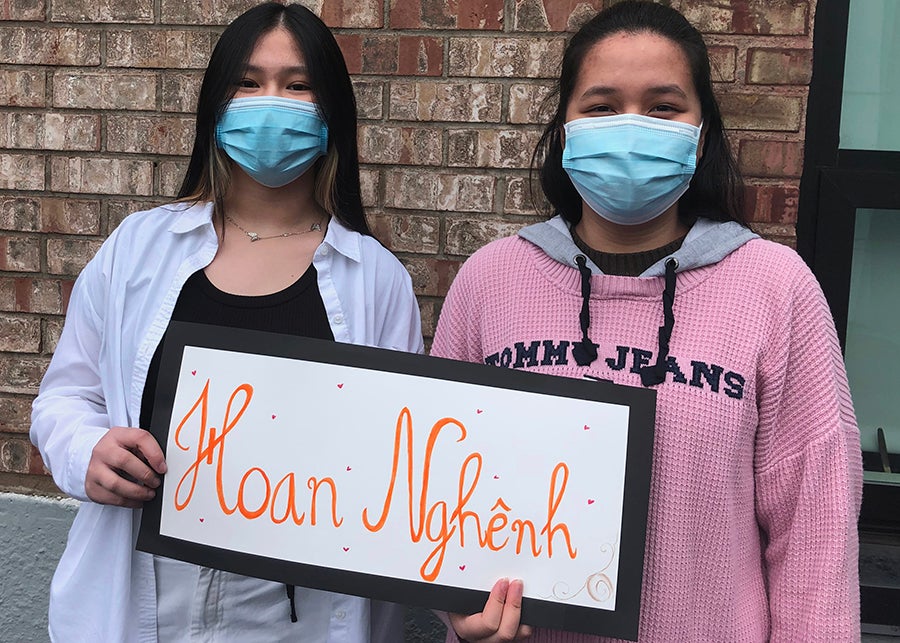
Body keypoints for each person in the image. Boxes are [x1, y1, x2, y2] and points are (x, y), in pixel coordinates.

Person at [431, 2, 862, 642]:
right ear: (564, 128)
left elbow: (815, 524)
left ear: (704, 132)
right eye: (601, 106)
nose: (631, 128)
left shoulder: (775, 288)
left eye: (663, 107)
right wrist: (457, 610)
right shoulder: (489, 282)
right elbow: (437, 493)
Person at [30, 3, 422, 641]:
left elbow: (396, 462)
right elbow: (67, 396)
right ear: (216, 103)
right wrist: (85, 452)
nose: (273, 102)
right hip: (140, 597)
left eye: (299, 86)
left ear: (332, 114)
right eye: (248, 82)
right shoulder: (138, 248)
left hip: (296, 616)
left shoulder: (375, 279)